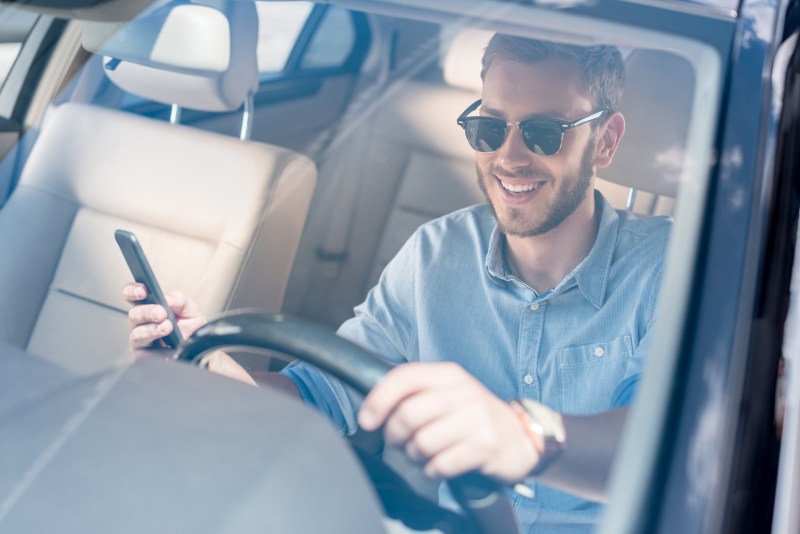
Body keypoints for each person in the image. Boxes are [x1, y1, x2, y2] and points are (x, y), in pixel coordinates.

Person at [125, 34, 671, 532]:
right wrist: (216, 372)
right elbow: (325, 393)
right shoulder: (434, 254)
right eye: (489, 128)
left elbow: (657, 443)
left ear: (604, 141)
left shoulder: (666, 267)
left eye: (544, 132)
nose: (509, 156)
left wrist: (524, 436)